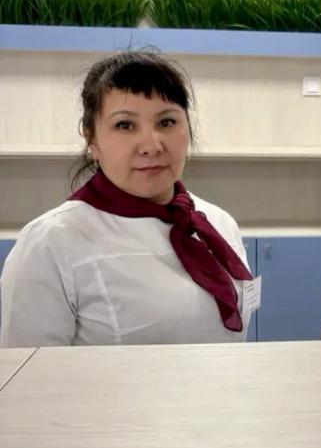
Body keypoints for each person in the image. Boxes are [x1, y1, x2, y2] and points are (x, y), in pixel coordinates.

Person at [0, 51, 254, 347]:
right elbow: (30, 370)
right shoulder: (49, 244)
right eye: (125, 125)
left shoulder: (218, 223)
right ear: (92, 139)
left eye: (167, 122)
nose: (151, 145)